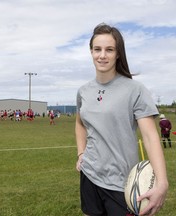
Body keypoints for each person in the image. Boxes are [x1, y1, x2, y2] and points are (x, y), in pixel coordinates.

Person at [75, 23, 168, 216]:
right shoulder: (83, 91)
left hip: (122, 184)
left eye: (109, 50)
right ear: (91, 52)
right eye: (97, 49)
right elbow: (80, 123)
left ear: (118, 54)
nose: (102, 55)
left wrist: (162, 182)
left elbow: (150, 137)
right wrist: (81, 154)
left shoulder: (135, 90)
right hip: (89, 176)